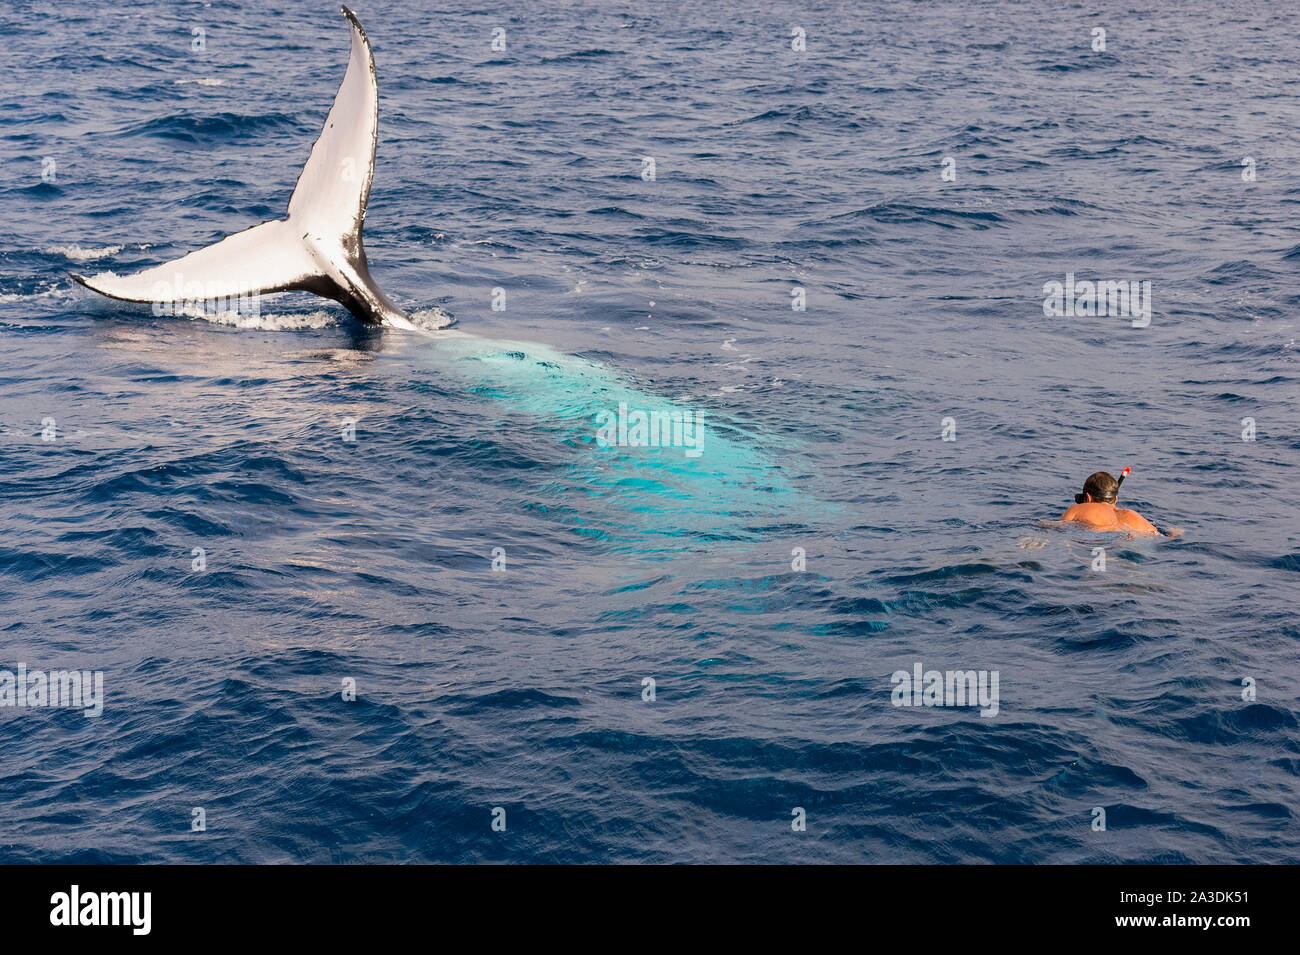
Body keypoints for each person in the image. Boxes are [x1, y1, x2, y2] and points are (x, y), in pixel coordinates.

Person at [1059, 471, 1163, 536]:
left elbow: (1058, 529)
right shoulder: (1135, 517)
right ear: (1115, 499)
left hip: (1099, 545)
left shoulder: (1078, 509)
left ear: (1088, 498)